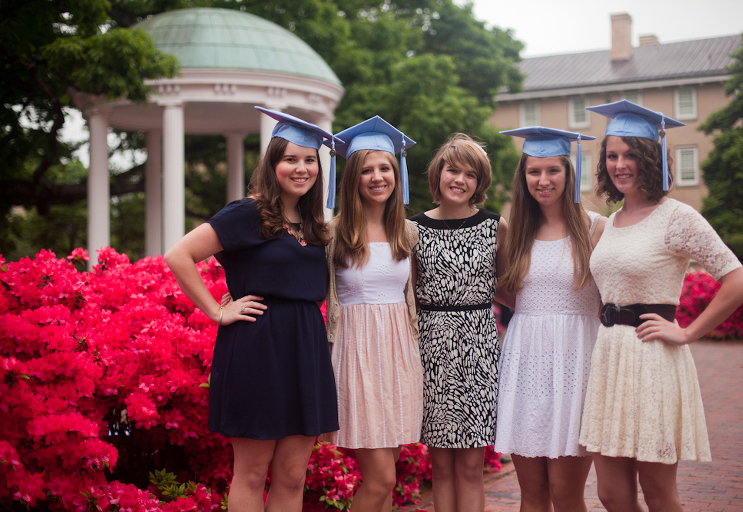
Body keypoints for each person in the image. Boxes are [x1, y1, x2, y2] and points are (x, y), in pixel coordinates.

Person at [578, 100, 743, 512]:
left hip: (652, 360)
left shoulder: (678, 217)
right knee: (611, 495)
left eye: (631, 155)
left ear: (651, 158)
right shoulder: (614, 220)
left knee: (658, 494)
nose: (620, 164)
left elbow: (738, 281)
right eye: (613, 156)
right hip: (610, 361)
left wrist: (688, 331)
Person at [164, 107, 342, 512]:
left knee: (294, 475)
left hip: (305, 350)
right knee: (250, 472)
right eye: (290, 159)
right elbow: (179, 255)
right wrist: (216, 311)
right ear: (273, 163)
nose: (301, 168)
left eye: (309, 160)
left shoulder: (315, 226)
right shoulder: (249, 212)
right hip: (256, 346)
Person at [494, 127, 605, 512]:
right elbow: (506, 291)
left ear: (568, 173)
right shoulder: (515, 232)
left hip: (575, 363)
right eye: (534, 172)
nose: (543, 180)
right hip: (525, 362)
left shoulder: (595, 228)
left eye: (552, 170)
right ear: (523, 177)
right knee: (533, 494)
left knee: (565, 491)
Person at [322, 116, 423, 512]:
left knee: (387, 476)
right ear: (352, 178)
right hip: (356, 354)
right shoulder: (333, 234)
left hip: (398, 354)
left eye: (385, 168)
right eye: (366, 169)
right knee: (381, 479)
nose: (377, 177)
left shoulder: (407, 233)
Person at [410, 133, 508, 512]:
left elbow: (512, 287)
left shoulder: (495, 226)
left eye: (470, 174)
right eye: (453, 170)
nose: (460, 180)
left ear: (479, 183)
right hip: (432, 347)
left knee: (470, 467)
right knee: (440, 467)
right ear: (438, 175)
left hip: (478, 347)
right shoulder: (413, 229)